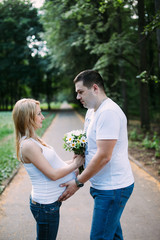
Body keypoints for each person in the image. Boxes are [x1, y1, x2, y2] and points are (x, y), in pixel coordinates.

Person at [59, 70, 134, 240]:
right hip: (103, 186)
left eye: (80, 92)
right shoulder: (92, 111)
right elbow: (91, 146)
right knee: (112, 235)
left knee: (99, 237)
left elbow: (103, 156)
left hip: (113, 187)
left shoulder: (109, 112)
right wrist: (78, 166)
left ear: (94, 88)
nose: (78, 97)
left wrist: (78, 182)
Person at [12, 98, 84, 240]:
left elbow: (55, 166)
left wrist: (74, 161)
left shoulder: (34, 140)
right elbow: (53, 174)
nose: (43, 117)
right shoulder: (28, 145)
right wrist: (76, 165)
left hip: (49, 204)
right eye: (39, 114)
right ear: (28, 117)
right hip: (45, 206)